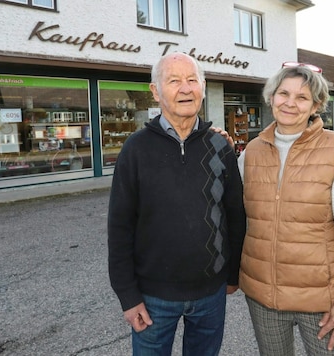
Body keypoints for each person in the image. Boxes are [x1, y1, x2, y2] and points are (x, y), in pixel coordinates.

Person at [107, 52, 246, 355]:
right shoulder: (136, 149)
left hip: (211, 294)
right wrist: (128, 296)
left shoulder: (220, 146)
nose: (185, 88)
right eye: (174, 81)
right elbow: (119, 228)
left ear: (203, 86)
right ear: (155, 92)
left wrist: (233, 274)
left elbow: (235, 215)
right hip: (153, 296)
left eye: (192, 80)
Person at [237, 62, 334, 355]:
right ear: (271, 97)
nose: (290, 104)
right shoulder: (251, 152)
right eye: (283, 94)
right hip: (264, 297)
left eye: (302, 97)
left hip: (321, 300)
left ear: (316, 106)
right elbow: (237, 219)